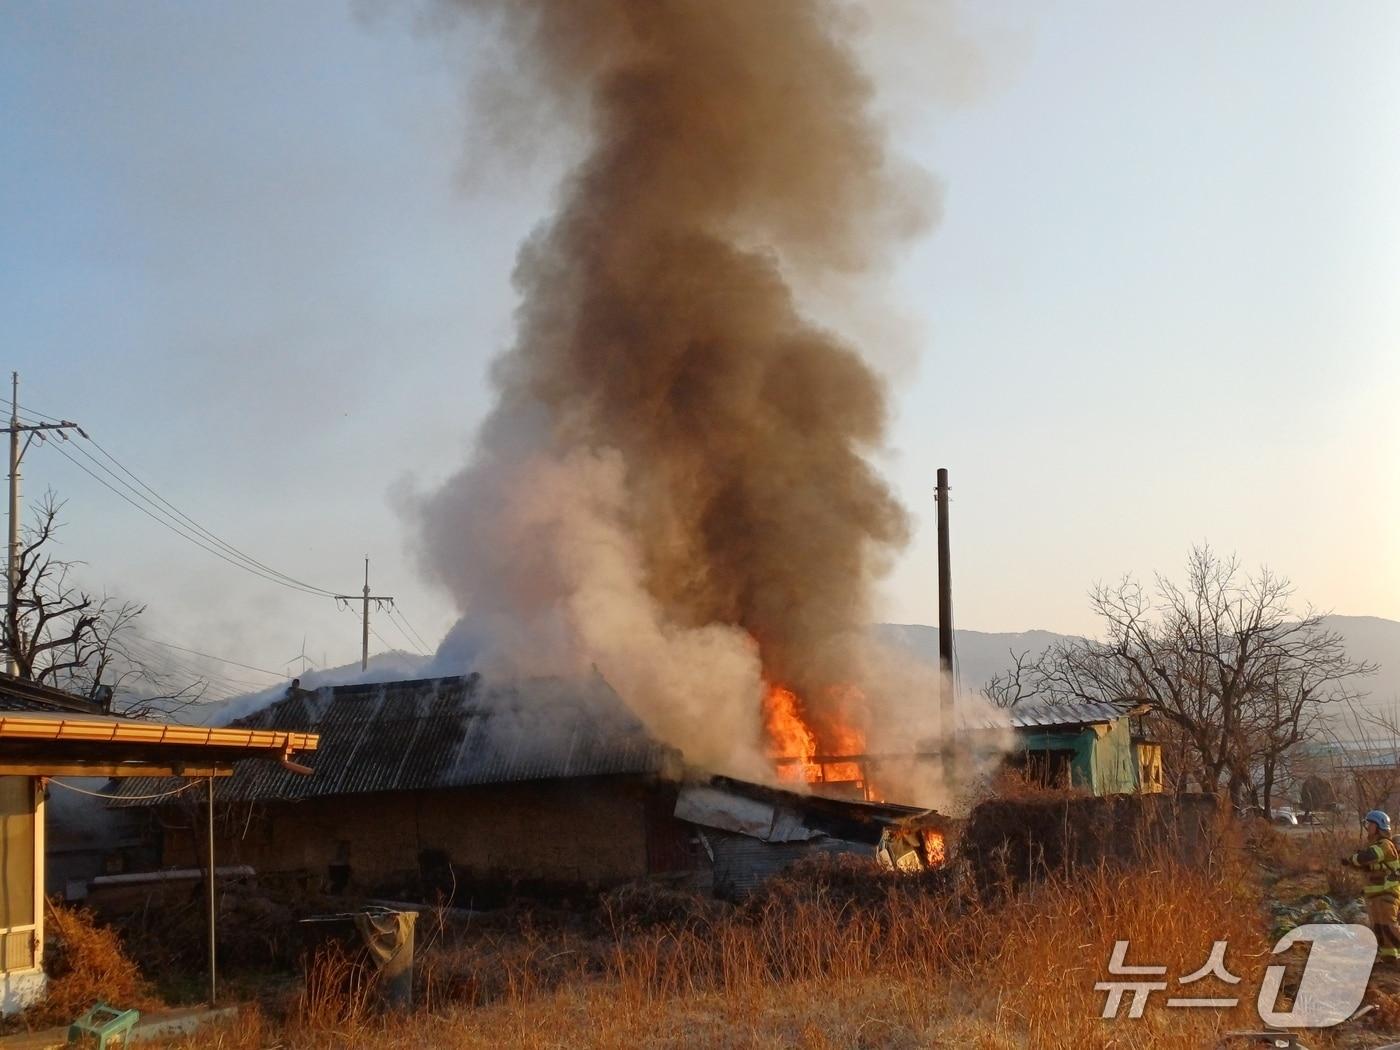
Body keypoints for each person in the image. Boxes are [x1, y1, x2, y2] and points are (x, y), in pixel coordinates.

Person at [1343, 809, 1400, 964]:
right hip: (1377, 895)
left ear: (1378, 826)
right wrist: (1355, 864)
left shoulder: (1384, 844)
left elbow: (1369, 857)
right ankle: (1389, 958)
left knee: (1390, 926)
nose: (1367, 827)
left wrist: (1353, 859)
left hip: (1387, 893)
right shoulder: (1377, 845)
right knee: (1380, 927)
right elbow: (1374, 866)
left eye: (1370, 824)